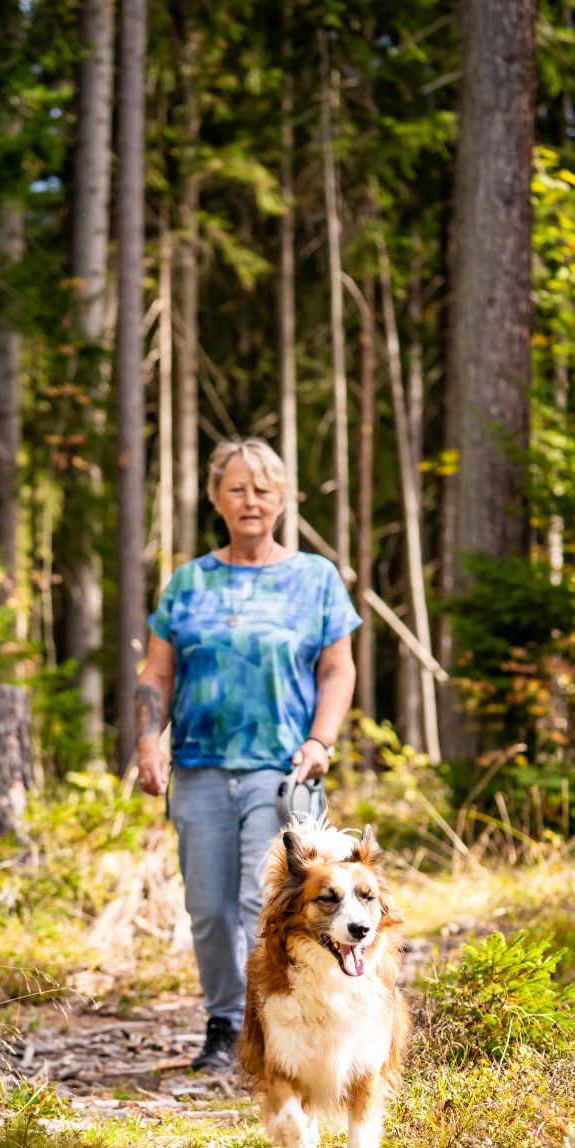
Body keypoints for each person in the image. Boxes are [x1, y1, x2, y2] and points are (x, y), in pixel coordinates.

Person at [134, 438, 361, 1070]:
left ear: (283, 498)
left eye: (263, 489)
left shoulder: (313, 578)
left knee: (258, 902)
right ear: (216, 498)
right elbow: (156, 673)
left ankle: (263, 1029)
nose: (250, 500)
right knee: (207, 907)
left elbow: (338, 670)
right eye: (237, 488)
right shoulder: (189, 582)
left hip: (281, 770)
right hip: (201, 767)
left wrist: (321, 740)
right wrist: (148, 741)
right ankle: (222, 1020)